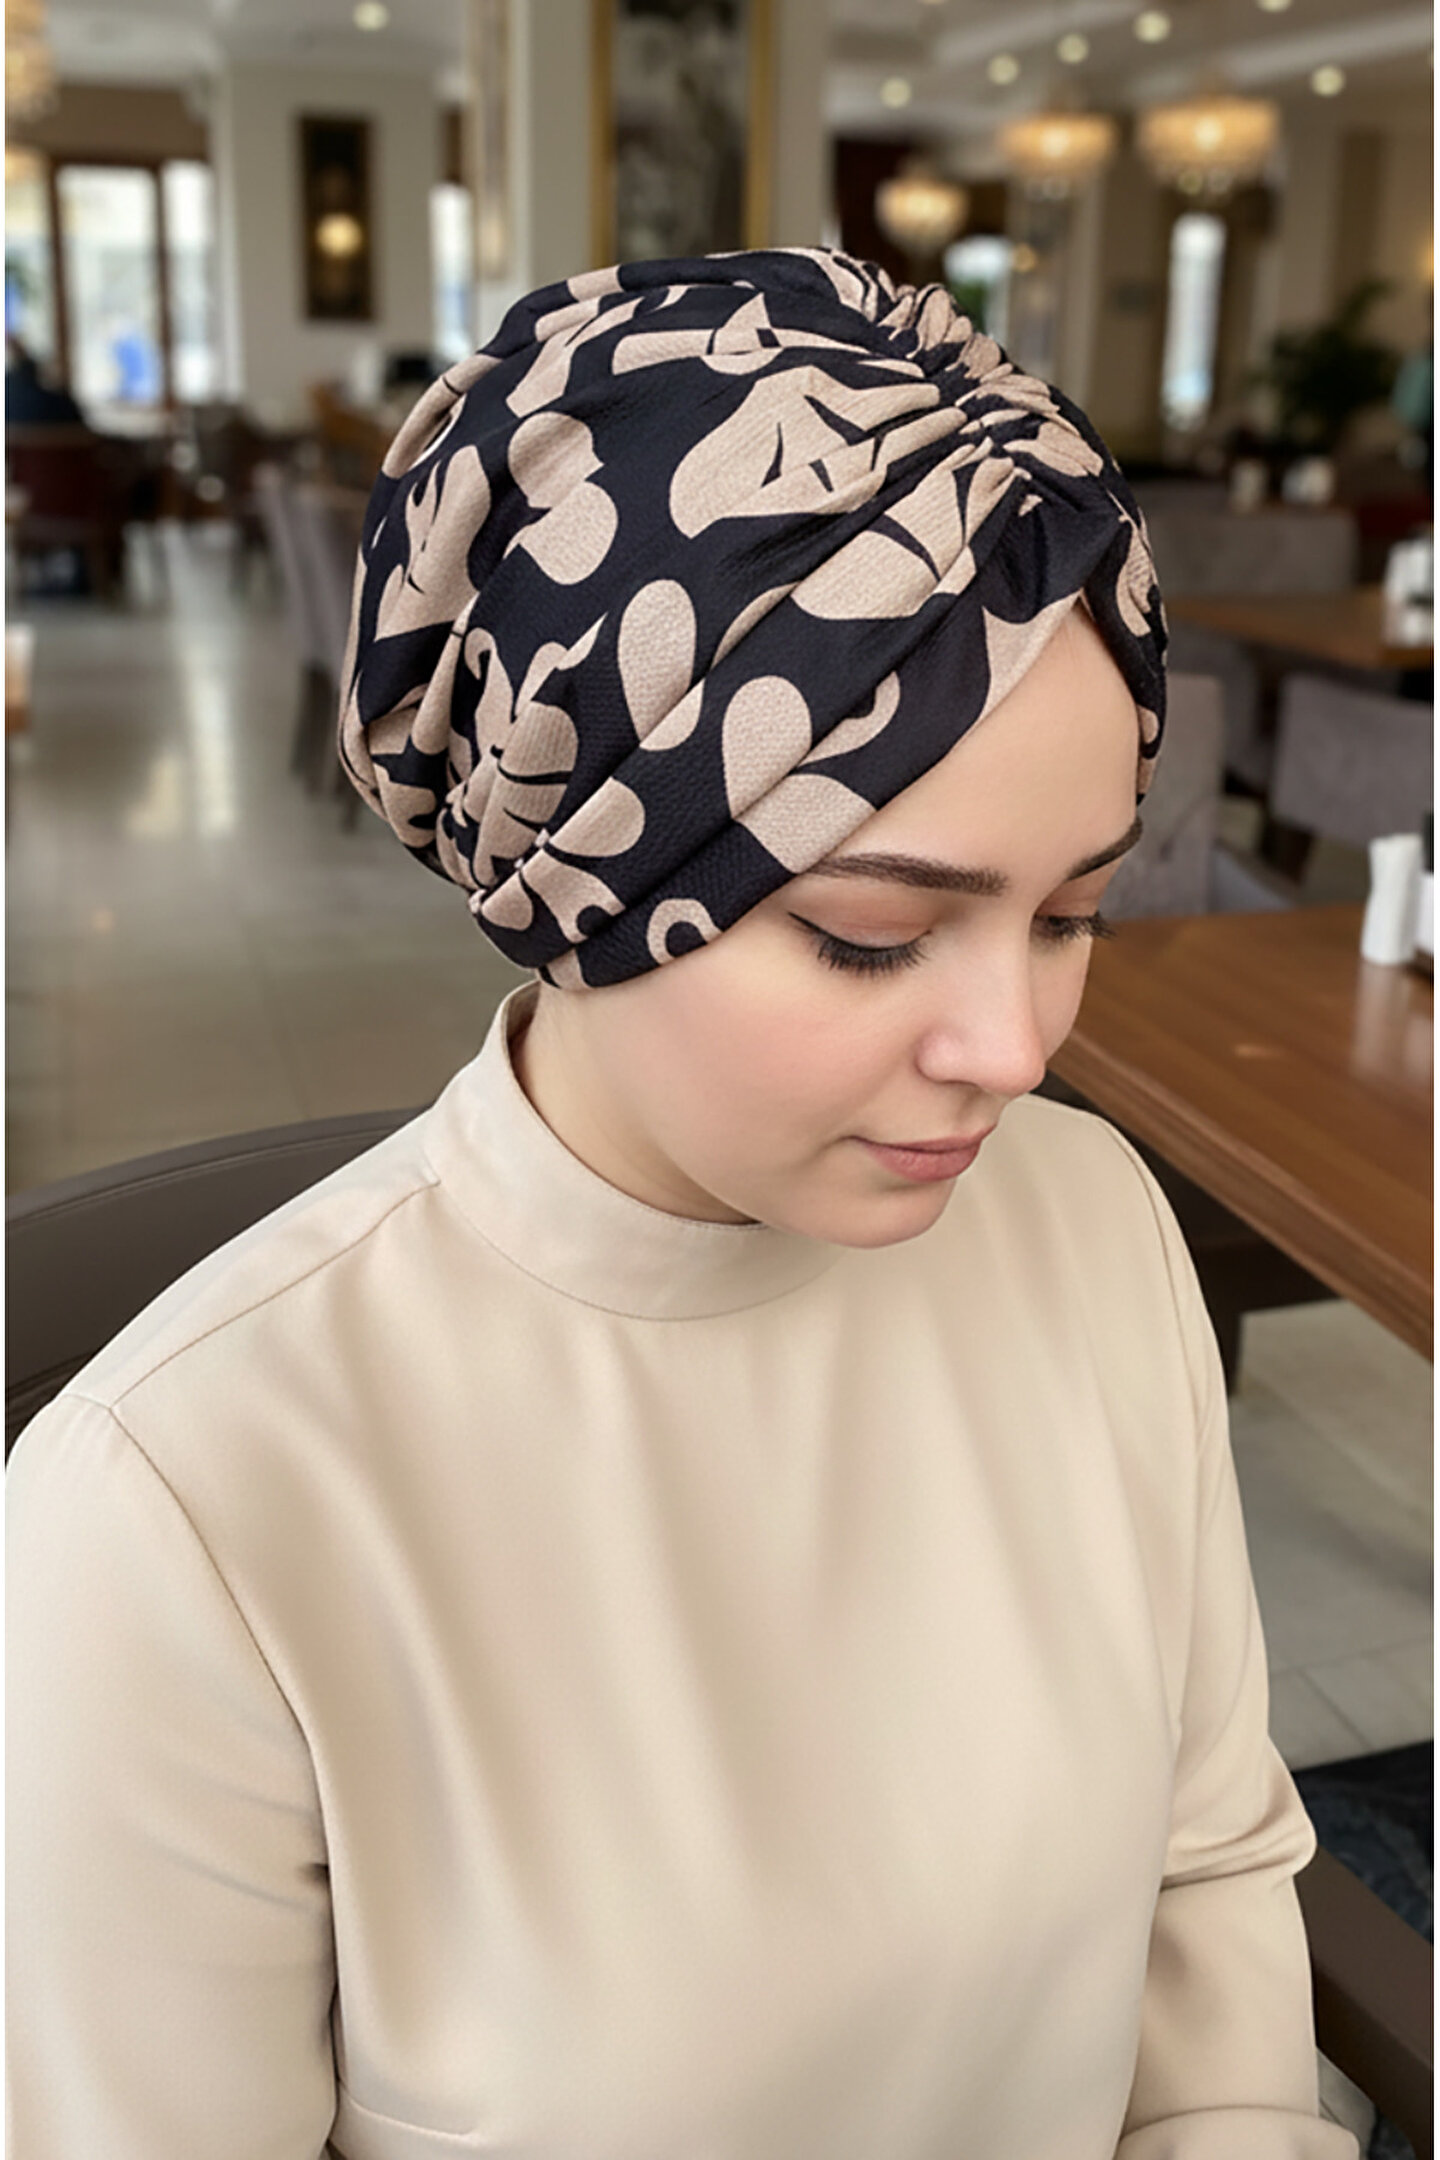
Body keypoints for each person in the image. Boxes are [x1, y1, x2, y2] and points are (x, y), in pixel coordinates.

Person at [7, 248, 1357, 2159]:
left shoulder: (1090, 1227)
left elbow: (1208, 1877)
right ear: (582, 890)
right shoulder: (178, 1520)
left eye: (1075, 915)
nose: (1016, 1047)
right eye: (872, 935)